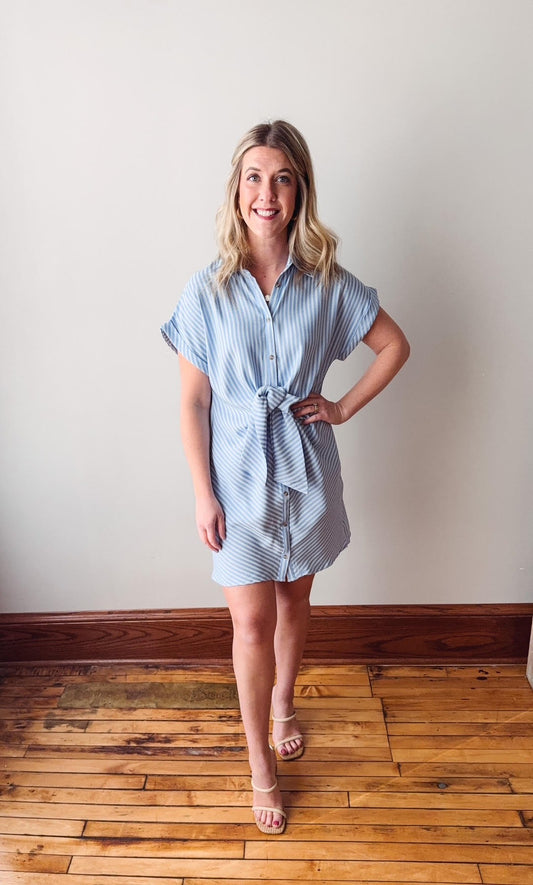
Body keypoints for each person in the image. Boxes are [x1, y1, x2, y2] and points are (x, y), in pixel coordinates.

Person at [161, 120, 410, 835]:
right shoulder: (206, 290)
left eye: (281, 178)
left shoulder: (329, 284)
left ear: (299, 191)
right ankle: (261, 768)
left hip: (305, 469)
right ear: (235, 192)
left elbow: (393, 345)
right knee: (249, 619)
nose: (265, 193)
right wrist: (202, 492)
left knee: (295, 601)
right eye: (253, 177)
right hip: (234, 475)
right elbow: (192, 399)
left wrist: (341, 406)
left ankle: (284, 702)